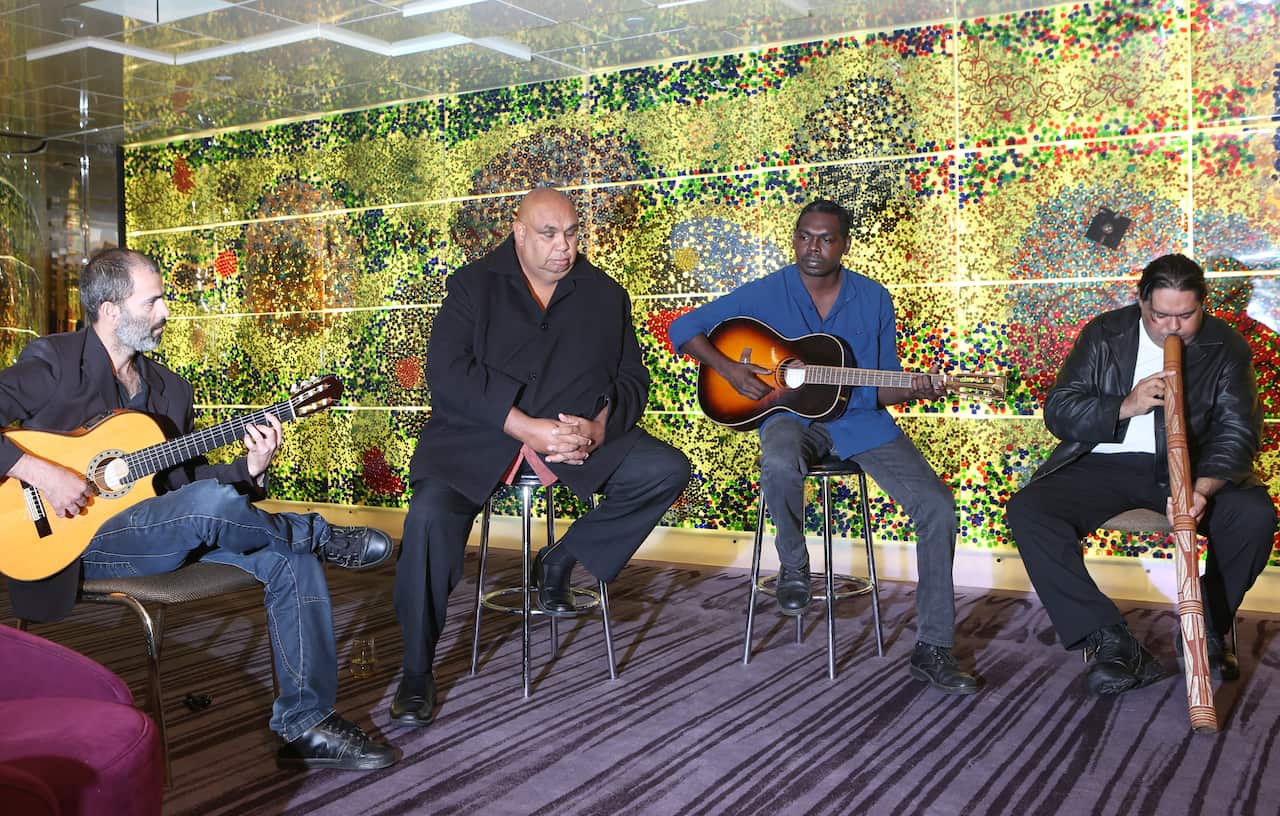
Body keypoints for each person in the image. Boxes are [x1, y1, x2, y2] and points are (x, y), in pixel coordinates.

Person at [0, 248, 399, 771]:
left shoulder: (170, 390)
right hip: (77, 547)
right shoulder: (52, 363)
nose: (167, 312)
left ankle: (308, 725)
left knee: (282, 555)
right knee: (246, 522)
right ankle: (312, 532)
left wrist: (250, 469)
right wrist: (39, 471)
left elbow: (189, 486)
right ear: (112, 310)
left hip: (166, 531)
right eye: (154, 300)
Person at [391, 187, 690, 726]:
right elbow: (448, 375)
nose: (564, 246)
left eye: (572, 233)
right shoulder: (470, 286)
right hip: (479, 439)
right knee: (428, 521)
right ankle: (417, 670)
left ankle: (563, 558)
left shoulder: (606, 294)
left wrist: (600, 428)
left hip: (574, 440)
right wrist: (524, 427)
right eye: (550, 234)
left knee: (665, 470)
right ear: (519, 231)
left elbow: (632, 380)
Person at [668, 199, 979, 695]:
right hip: (791, 417)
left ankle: (934, 647)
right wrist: (729, 369)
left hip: (860, 423)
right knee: (779, 457)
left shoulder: (874, 298)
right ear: (794, 239)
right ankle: (794, 563)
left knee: (938, 509)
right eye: (804, 237)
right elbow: (682, 328)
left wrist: (919, 387)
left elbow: (877, 384)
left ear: (845, 244)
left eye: (826, 239)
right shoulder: (769, 290)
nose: (813, 248)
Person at [1006, 253, 1277, 695]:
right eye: (1160, 315)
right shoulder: (1105, 333)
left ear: (1202, 306)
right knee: (1029, 510)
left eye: (1186, 316)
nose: (1173, 327)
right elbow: (1059, 411)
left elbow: (1237, 432)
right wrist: (1125, 405)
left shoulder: (1226, 345)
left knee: (1254, 516)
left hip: (1193, 467)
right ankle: (1108, 638)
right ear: (1141, 302)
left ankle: (1204, 627)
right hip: (1105, 462)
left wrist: (1202, 488)